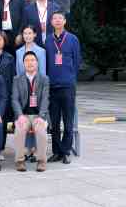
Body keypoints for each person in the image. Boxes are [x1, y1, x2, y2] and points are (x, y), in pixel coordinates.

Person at [45, 11, 80, 164]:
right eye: (55, 18)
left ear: (64, 21)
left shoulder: (72, 39)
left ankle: (65, 151)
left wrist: (70, 77)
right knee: (54, 122)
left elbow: (77, 61)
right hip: (52, 86)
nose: (58, 21)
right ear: (51, 22)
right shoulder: (48, 40)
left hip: (67, 86)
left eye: (60, 18)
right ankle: (56, 152)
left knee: (68, 121)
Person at [12, 51, 50, 172]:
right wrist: (19, 115)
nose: (30, 63)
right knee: (19, 129)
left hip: (38, 115)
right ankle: (20, 161)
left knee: (41, 130)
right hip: (24, 115)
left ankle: (41, 161)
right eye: (27, 60)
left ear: (37, 63)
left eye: (32, 60)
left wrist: (41, 116)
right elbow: (14, 99)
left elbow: (45, 99)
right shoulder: (17, 79)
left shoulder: (44, 79)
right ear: (23, 63)